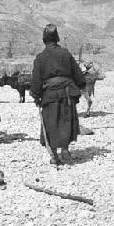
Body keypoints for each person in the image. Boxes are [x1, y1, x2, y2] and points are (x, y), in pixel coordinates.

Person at [30, 24, 86, 165]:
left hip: (49, 95)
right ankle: (65, 150)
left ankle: (54, 154)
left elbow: (36, 80)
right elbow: (78, 75)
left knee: (51, 123)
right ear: (57, 38)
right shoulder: (66, 54)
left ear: (44, 39)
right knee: (66, 120)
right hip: (67, 93)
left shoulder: (40, 58)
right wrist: (80, 85)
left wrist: (36, 95)